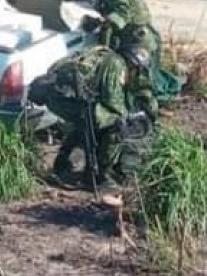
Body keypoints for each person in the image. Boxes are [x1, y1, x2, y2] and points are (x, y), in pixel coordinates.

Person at [32, 44, 156, 191]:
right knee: (117, 123)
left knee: (88, 122)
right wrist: (132, 117)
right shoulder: (117, 66)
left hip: (60, 97)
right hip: (65, 99)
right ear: (134, 65)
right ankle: (99, 176)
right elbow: (113, 103)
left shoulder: (108, 58)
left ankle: (63, 165)